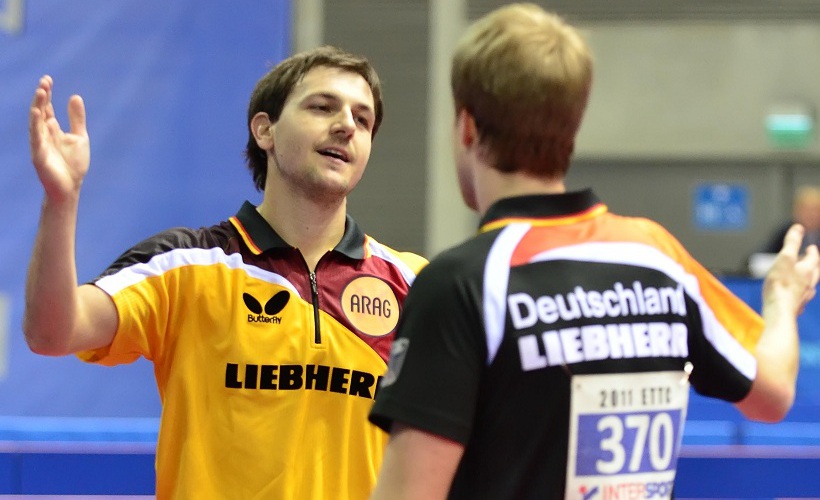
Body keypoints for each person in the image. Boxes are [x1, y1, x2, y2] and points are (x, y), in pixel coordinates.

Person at [368, 4, 820, 499]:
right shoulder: (655, 256)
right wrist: (779, 302)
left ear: (468, 128)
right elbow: (772, 392)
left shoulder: (462, 283)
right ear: (571, 127)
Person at [25, 45, 426, 499]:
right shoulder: (186, 264)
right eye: (322, 106)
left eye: (363, 119)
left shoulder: (415, 287)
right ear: (264, 130)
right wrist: (61, 201)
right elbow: (52, 332)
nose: (346, 126)